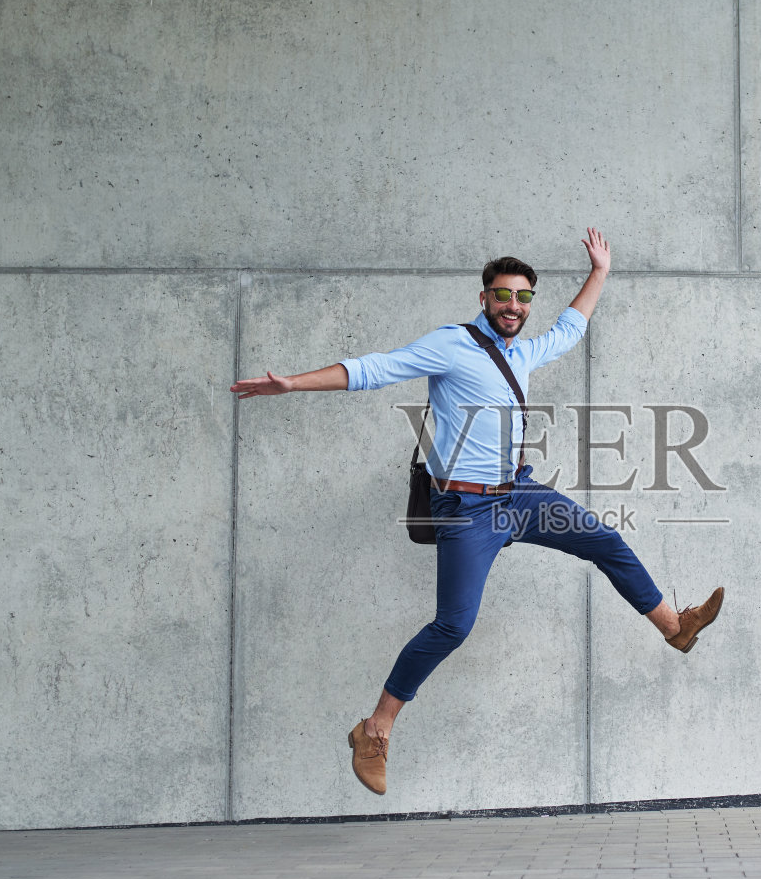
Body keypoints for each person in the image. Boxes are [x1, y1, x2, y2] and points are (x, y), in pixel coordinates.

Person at [230, 229, 724, 795]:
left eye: (523, 297)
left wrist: (601, 273)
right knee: (455, 624)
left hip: (519, 494)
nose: (513, 306)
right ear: (484, 297)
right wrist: (293, 384)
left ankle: (675, 628)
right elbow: (374, 368)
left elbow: (572, 326)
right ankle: (375, 729)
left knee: (605, 541)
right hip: (468, 507)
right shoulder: (451, 344)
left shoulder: (525, 350)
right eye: (503, 295)